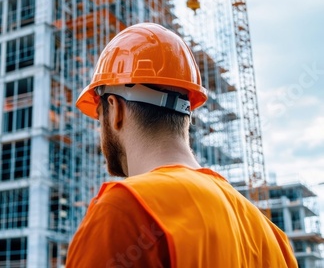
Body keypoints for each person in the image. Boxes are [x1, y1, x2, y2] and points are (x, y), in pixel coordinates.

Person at [65, 23, 297, 267]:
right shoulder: (273, 238)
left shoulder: (124, 212)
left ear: (115, 109)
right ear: (187, 112)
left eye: (99, 115)